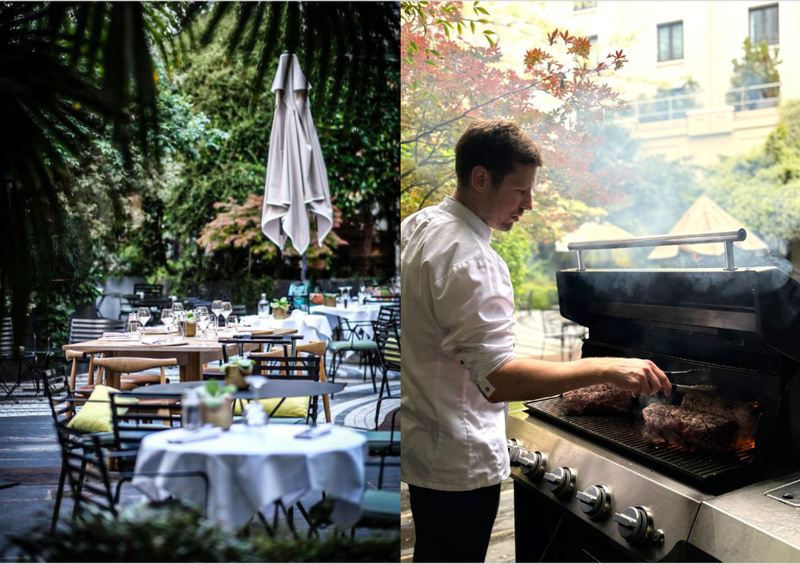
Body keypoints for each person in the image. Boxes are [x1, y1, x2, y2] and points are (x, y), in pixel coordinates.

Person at [400, 119, 671, 563]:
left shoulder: (421, 225)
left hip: (426, 445)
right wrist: (605, 367)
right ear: (480, 178)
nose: (529, 203)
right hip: (459, 460)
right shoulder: (472, 258)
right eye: (520, 191)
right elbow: (498, 379)